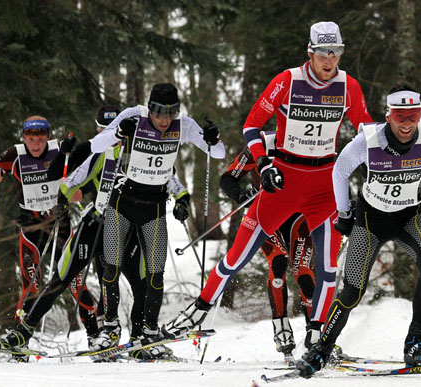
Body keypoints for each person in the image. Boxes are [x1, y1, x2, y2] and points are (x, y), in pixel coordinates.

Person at [161, 21, 372, 344]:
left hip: (324, 186)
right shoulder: (287, 81)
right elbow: (252, 125)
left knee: (327, 268)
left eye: (337, 52)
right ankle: (199, 309)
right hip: (284, 181)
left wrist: (372, 168)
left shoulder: (349, 86)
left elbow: (365, 131)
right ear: (310, 52)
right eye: (323, 53)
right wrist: (262, 161)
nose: (330, 60)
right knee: (236, 257)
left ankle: (317, 336)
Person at [296, 85, 421, 376]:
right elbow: (339, 170)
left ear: (420, 115)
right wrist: (344, 212)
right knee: (353, 290)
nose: (406, 123)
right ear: (388, 116)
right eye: (400, 116)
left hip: (409, 216)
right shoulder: (368, 141)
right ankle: (322, 349)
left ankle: (416, 342)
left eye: (413, 116)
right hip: (370, 221)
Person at [88, 83, 225, 351]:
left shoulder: (183, 125)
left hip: (154, 205)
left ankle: (148, 332)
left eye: (170, 113)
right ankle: (110, 328)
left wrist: (212, 138)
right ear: (149, 108)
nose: (164, 120)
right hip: (122, 201)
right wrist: (117, 132)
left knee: (156, 274)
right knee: (111, 266)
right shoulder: (132, 116)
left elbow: (217, 153)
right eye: (159, 113)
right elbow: (95, 145)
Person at [0, 115, 97, 361]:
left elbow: (93, 161)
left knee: (73, 279)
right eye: (31, 137)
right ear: (24, 138)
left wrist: (80, 185)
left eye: (40, 137)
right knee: (30, 284)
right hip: (31, 228)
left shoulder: (58, 150)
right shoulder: (16, 153)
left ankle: (96, 334)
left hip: (59, 223)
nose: (35, 143)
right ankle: (20, 341)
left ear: (47, 137)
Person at [219, 131, 318, 360]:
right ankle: (281, 328)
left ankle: (315, 332)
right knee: (279, 262)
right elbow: (227, 178)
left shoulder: (311, 140)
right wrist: (243, 195)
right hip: (266, 215)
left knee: (303, 273)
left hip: (299, 217)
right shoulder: (262, 144)